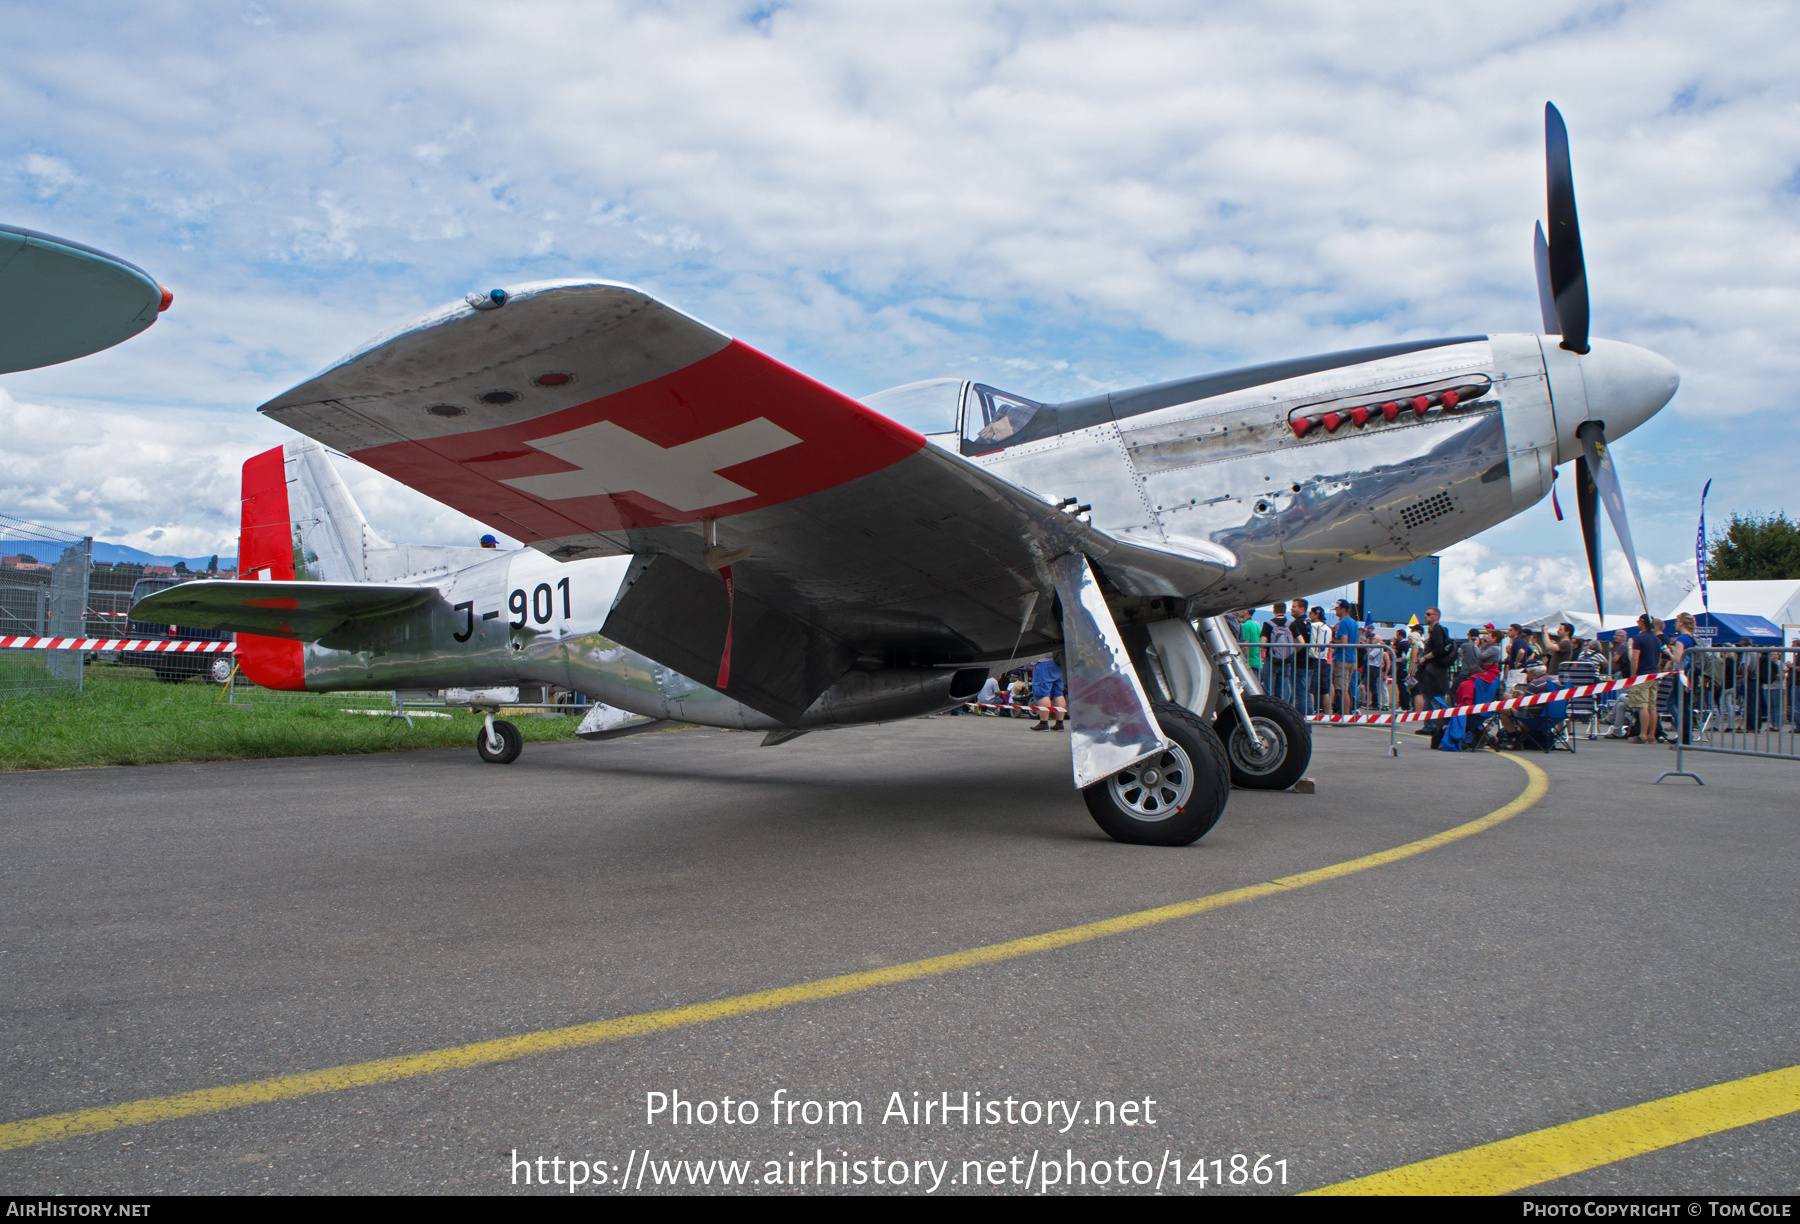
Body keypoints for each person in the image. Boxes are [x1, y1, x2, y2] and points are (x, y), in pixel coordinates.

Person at [1412, 606, 1454, 732]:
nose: (1426, 616)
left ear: (1436, 616)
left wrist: (1425, 658)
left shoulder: (1437, 630)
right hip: (1434, 670)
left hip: (1434, 670)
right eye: (1425, 614)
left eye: (1428, 614)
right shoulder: (1436, 630)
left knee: (1434, 698)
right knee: (1429, 697)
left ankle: (1439, 726)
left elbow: (1439, 650)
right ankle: (1430, 725)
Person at [1625, 614, 1663, 743]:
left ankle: (1643, 735)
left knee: (1642, 706)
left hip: (1642, 675)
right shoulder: (1656, 639)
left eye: (1638, 621)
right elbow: (1658, 658)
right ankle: (1652, 735)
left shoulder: (1638, 638)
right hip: (1653, 674)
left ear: (1642, 622)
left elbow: (1635, 658)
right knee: (1652, 707)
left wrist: (1633, 675)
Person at [1330, 599, 1360, 714]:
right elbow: (1356, 640)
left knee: (1342, 689)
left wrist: (1332, 641)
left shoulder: (1342, 623)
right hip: (1352, 658)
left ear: (1343, 609)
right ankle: (1346, 712)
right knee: (1346, 688)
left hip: (1343, 658)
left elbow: (1344, 641)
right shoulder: (1354, 623)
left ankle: (1345, 714)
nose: (1335, 611)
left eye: (1337, 608)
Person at [1029, 654, 1066, 731]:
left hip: (1044, 662)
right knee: (1058, 693)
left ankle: (1044, 723)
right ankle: (1060, 723)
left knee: (1043, 693)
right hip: (1058, 662)